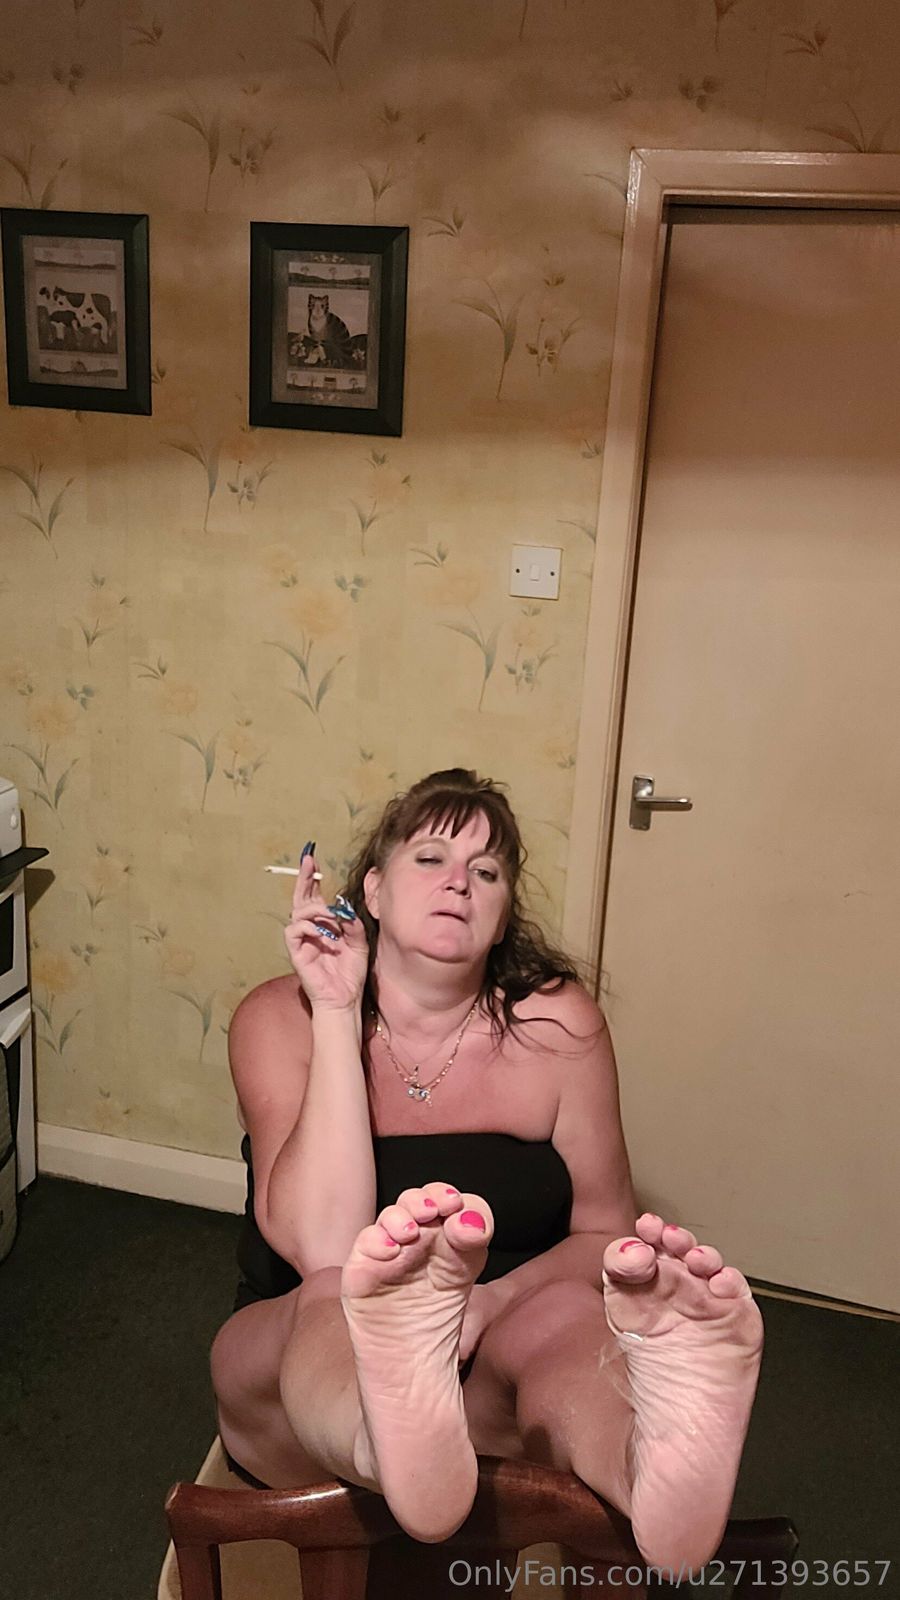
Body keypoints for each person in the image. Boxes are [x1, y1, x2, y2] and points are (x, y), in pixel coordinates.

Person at [210, 768, 763, 1569]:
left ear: (503, 916)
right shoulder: (280, 1017)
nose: (460, 883)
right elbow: (324, 1244)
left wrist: (489, 1301)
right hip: (304, 1369)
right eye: (431, 858)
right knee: (336, 1292)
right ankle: (387, 1437)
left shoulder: (558, 1026)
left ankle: (649, 1473)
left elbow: (604, 1233)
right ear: (372, 890)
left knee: (562, 1315)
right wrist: (335, 1007)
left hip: (490, 1363)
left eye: (487, 871)